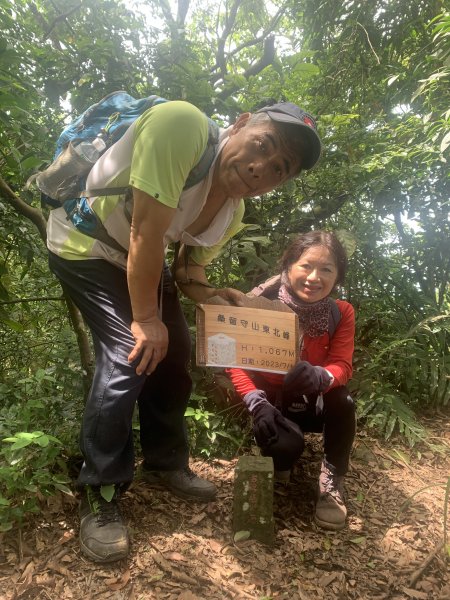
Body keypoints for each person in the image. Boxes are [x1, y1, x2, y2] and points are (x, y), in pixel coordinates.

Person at [46, 98, 322, 562]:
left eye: (279, 168)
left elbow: (189, 274)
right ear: (240, 124)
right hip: (86, 245)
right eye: (263, 145)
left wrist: (219, 297)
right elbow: (145, 234)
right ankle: (101, 492)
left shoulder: (230, 214)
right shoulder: (183, 127)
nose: (262, 168)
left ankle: (164, 463)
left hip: (136, 258)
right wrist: (147, 320)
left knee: (175, 359)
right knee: (129, 353)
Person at [226, 230, 356, 531]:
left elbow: (343, 366)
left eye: (326, 269)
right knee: (285, 447)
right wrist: (256, 403)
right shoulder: (259, 306)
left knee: (344, 402)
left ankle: (332, 480)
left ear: (337, 277)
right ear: (288, 267)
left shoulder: (341, 313)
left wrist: (321, 375)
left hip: (315, 399)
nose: (314, 277)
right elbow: (235, 360)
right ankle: (282, 461)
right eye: (306, 266)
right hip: (274, 401)